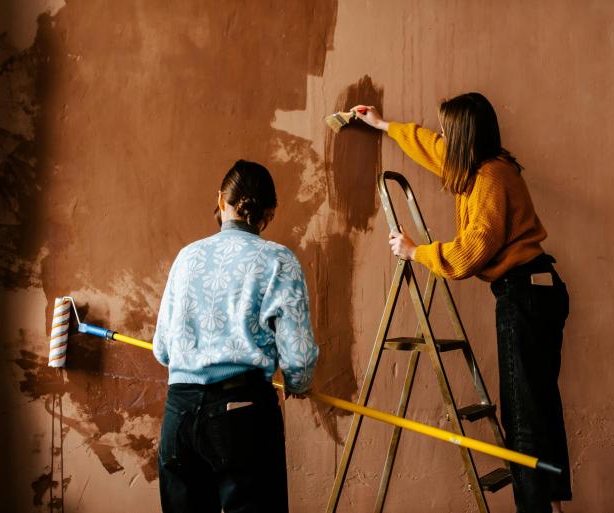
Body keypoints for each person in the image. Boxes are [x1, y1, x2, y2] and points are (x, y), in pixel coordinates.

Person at [352, 94, 571, 513]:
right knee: (539, 409)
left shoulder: (490, 177)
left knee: (525, 421)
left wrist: (418, 252)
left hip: (526, 295)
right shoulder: (478, 168)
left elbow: (474, 250)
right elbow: (429, 146)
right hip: (538, 290)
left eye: (450, 133)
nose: (443, 139)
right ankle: (552, 507)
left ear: (465, 137)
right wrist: (382, 126)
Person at [152, 159, 319, 513]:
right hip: (241, 415)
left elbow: (162, 349)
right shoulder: (277, 260)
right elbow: (299, 360)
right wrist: (298, 383)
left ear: (220, 199)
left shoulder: (187, 257)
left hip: (178, 417)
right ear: (268, 214)